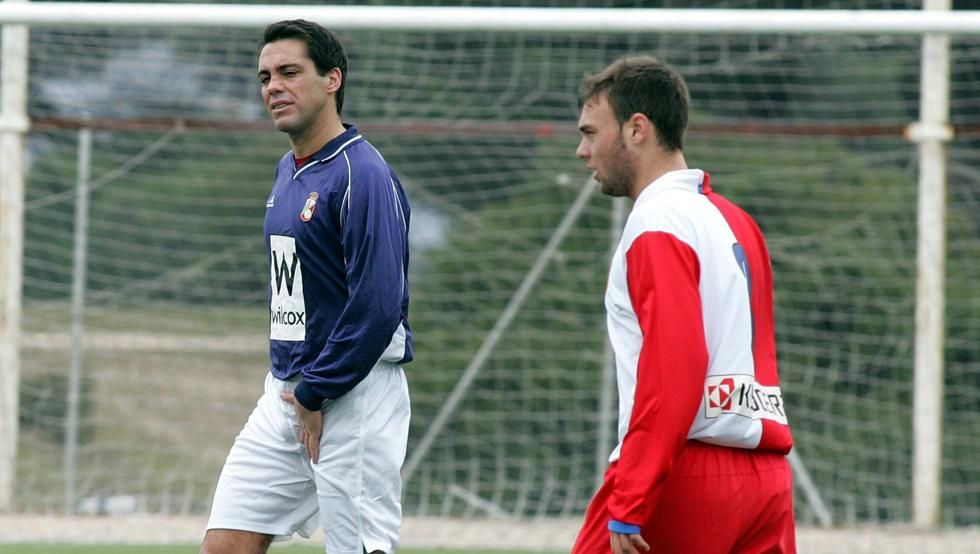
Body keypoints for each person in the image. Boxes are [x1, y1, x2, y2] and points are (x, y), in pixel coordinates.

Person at [201, 19, 412, 554]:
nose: (274, 86)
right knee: (224, 544)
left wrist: (320, 387)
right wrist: (299, 388)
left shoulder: (361, 174)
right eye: (266, 76)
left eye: (290, 72)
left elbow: (379, 305)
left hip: (352, 392)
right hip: (286, 393)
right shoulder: (287, 171)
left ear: (332, 79)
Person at [572, 56, 796, 554]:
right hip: (767, 482)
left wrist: (631, 498)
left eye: (591, 132)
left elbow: (676, 365)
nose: (582, 151)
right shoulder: (737, 222)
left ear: (637, 129)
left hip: (683, 477)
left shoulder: (658, 224)